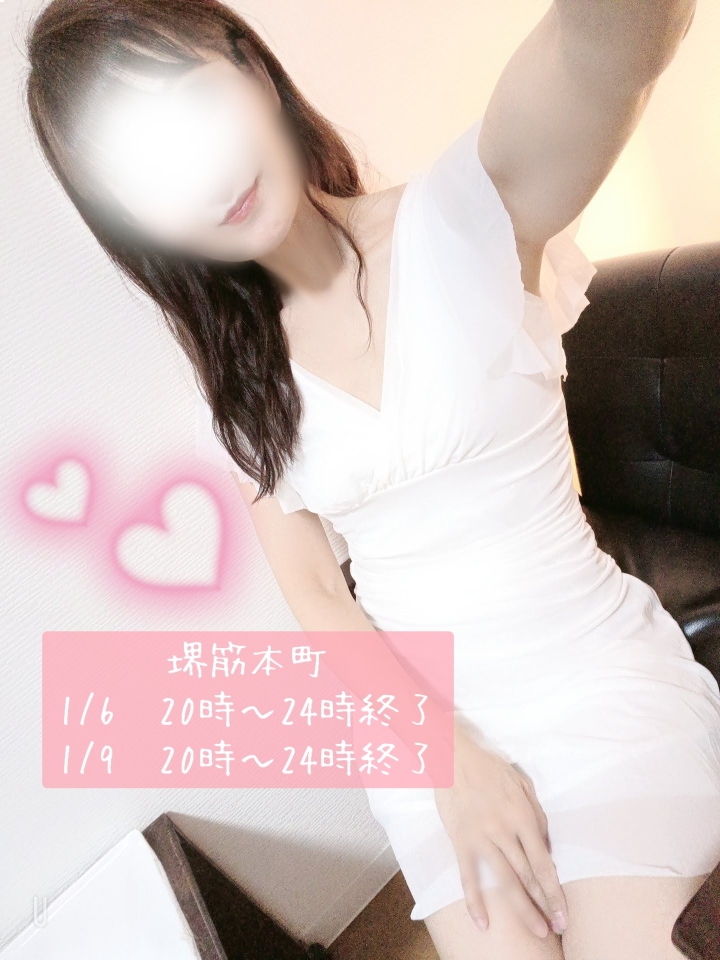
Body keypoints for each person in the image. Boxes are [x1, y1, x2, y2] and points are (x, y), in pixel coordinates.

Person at [23, 0, 720, 956]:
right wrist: (448, 762)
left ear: (248, 65)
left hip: (595, 680)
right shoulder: (241, 390)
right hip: (425, 731)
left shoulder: (470, 214)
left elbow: (614, 43)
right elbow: (318, 591)